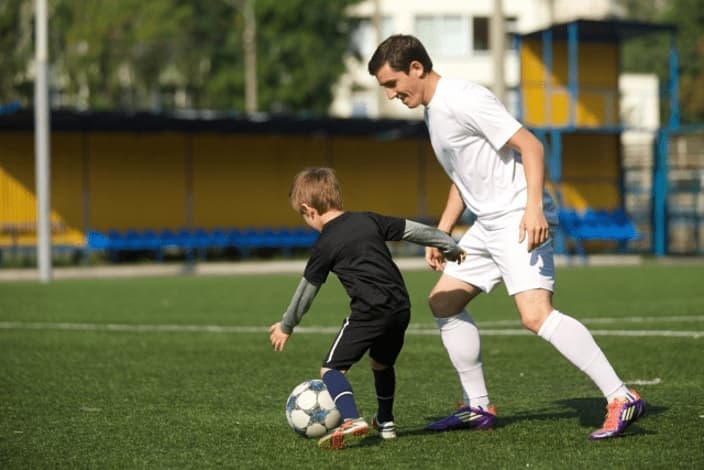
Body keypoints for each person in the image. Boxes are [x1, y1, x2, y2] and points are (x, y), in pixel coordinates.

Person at [367, 34, 644, 440]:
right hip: (488, 223)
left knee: (535, 315)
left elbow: (530, 146)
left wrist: (533, 208)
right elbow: (463, 179)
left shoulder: (464, 98)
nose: (391, 94)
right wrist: (441, 232)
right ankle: (478, 407)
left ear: (416, 68)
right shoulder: (433, 112)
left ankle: (621, 397)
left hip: (517, 214)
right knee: (443, 301)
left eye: (392, 84)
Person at [269, 166, 466, 449]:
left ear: (308, 209)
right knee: (381, 363)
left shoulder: (324, 244)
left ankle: (351, 419)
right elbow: (414, 230)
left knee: (331, 369)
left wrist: (286, 325)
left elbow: (306, 292)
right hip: (400, 307)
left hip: (369, 312)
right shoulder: (369, 219)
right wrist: (448, 245)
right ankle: (385, 421)